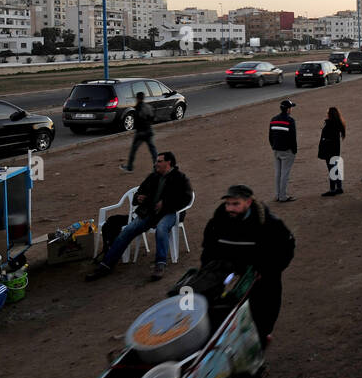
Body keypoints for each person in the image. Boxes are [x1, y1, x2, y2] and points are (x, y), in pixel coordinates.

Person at [200, 185, 296, 342]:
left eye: (236, 204)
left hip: (261, 274)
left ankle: (262, 337)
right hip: (229, 272)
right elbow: (209, 249)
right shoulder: (217, 221)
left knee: (265, 310)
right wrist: (208, 270)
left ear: (249, 202)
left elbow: (286, 249)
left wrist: (267, 271)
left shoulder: (269, 224)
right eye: (228, 204)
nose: (230, 208)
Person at [87, 151, 193, 281]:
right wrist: (139, 198)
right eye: (156, 161)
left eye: (159, 161)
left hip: (170, 213)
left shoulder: (180, 178)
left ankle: (160, 264)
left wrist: (166, 204)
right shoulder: (153, 177)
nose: (156, 164)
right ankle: (106, 265)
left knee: (161, 229)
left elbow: (186, 198)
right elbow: (139, 193)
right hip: (149, 213)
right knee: (127, 231)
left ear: (168, 162)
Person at [268, 99, 297, 202]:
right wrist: (294, 150)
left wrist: (273, 146)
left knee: (278, 173)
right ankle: (283, 196)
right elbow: (293, 137)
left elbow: (270, 136)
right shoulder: (290, 121)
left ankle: (277, 195)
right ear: (288, 109)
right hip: (287, 151)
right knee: (285, 174)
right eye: (291, 108)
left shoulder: (273, 119)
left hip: (276, 150)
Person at [120, 92, 156, 172]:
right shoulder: (148, 107)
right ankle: (157, 167)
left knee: (133, 150)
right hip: (149, 131)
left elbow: (137, 121)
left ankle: (130, 167)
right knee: (153, 150)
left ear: (137, 98)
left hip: (141, 133)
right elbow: (152, 118)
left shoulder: (138, 107)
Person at [318, 106, 346, 196]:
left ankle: (333, 189)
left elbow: (326, 137)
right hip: (335, 149)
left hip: (329, 150)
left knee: (332, 169)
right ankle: (339, 187)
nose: (326, 114)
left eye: (327, 113)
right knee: (336, 168)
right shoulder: (338, 123)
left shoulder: (330, 124)